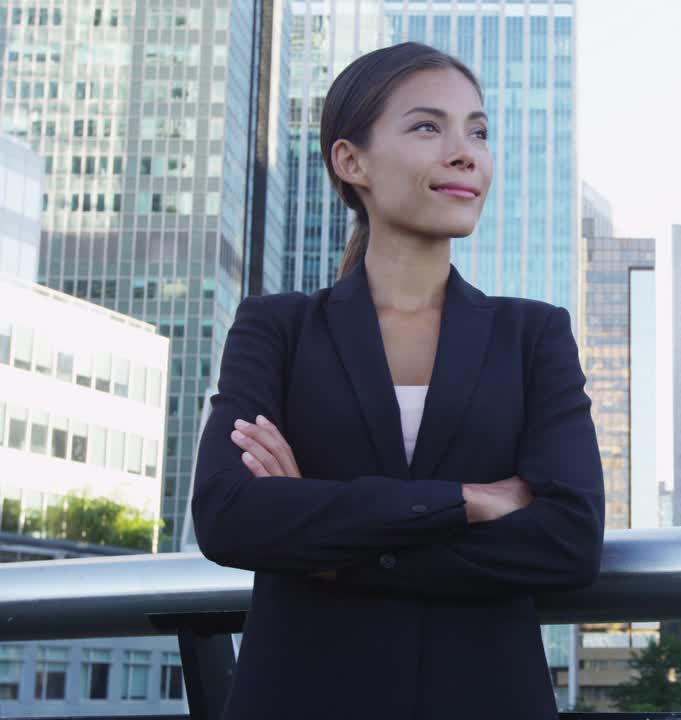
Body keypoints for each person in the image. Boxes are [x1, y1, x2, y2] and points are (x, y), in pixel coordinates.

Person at [191, 42, 605, 719]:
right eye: (426, 126)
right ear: (351, 162)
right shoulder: (278, 329)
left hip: (486, 701)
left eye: (478, 130)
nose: (466, 150)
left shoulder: (534, 336)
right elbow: (229, 516)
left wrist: (321, 547)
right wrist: (467, 500)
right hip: (302, 699)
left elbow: (568, 542)